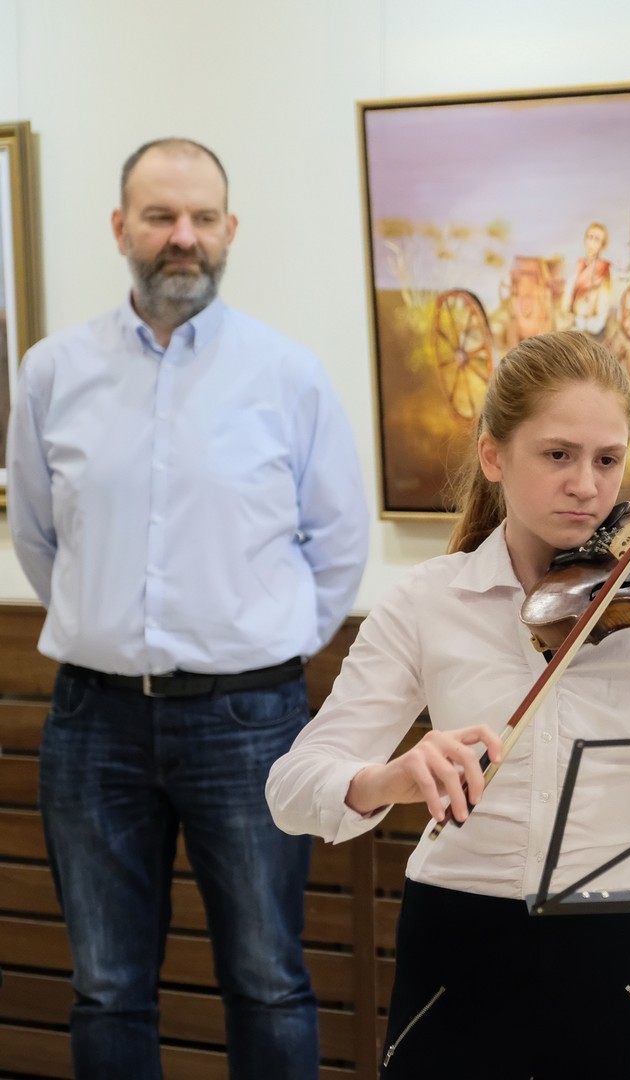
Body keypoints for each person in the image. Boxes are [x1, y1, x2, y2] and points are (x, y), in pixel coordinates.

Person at [266, 330, 630, 1078]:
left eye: (607, 460)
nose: (586, 485)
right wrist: (391, 777)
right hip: (456, 942)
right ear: (494, 456)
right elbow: (291, 788)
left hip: (615, 947)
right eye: (557, 455)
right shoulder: (428, 600)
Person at [6, 137, 369, 1079]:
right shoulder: (52, 373)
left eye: (203, 218)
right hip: (94, 721)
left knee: (268, 979)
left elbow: (339, 545)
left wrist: (259, 646)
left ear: (229, 229)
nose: (183, 237)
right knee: (107, 988)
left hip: (249, 722)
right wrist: (106, 630)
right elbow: (39, 538)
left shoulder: (288, 375)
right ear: (120, 226)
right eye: (161, 216)